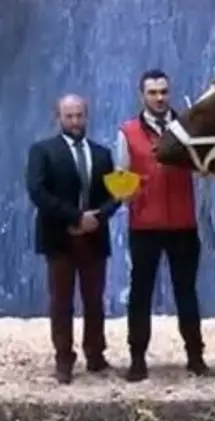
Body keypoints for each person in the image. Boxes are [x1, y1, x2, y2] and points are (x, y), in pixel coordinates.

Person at [114, 68, 211, 382]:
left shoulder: (188, 129)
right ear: (141, 95)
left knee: (187, 292)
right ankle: (138, 359)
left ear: (170, 93)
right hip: (145, 227)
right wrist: (133, 191)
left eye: (163, 92)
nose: (159, 97)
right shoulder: (127, 131)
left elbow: (203, 167)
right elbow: (120, 176)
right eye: (153, 92)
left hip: (183, 224)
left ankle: (196, 357)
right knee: (141, 293)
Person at [25, 94, 120, 384]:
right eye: (70, 116)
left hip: (94, 237)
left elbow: (115, 195)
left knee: (94, 300)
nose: (76, 121)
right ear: (58, 118)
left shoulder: (102, 153)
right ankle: (64, 360)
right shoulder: (42, 151)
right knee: (61, 301)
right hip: (60, 237)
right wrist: (75, 218)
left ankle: (96, 356)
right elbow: (38, 192)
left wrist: (97, 218)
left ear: (86, 116)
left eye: (80, 115)